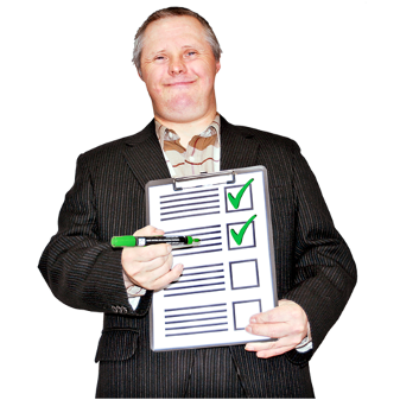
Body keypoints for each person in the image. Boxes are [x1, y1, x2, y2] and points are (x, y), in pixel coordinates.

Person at [37, 6, 357, 399]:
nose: (176, 67)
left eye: (190, 53)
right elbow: (60, 259)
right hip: (143, 381)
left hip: (264, 375)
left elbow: (330, 257)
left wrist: (306, 312)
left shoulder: (281, 155)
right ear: (140, 72)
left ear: (217, 62)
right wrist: (120, 270)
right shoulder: (99, 165)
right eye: (160, 57)